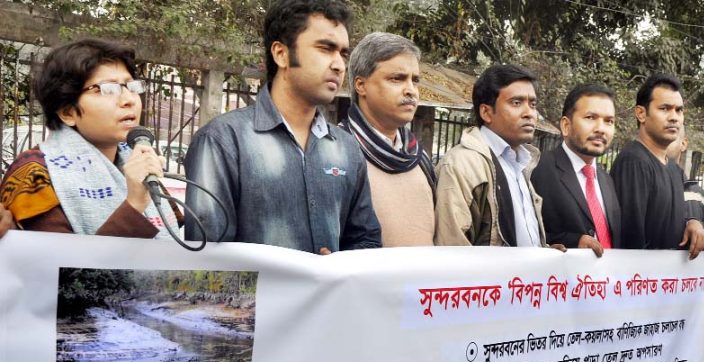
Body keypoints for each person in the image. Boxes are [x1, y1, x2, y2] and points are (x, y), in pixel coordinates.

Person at [184, 0, 381, 253]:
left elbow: (366, 240)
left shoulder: (347, 148)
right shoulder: (223, 141)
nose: (339, 65)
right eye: (325, 48)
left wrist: (336, 269)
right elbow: (207, 257)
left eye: (343, 53)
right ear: (281, 54)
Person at [1, 39, 174, 237]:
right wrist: (134, 205)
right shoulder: (34, 175)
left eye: (131, 86)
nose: (129, 100)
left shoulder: (139, 165)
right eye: (107, 89)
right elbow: (59, 266)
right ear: (68, 112)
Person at [434, 64, 555, 248]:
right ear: (486, 112)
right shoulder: (461, 165)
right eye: (516, 103)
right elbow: (452, 248)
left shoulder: (521, 163)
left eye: (533, 104)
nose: (529, 113)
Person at [341, 32, 436, 247]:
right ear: (361, 85)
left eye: (415, 80)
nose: (411, 90)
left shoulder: (419, 158)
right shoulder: (336, 154)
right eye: (397, 78)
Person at [609, 74, 704, 257]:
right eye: (664, 108)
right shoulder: (634, 162)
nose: (674, 117)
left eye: (679, 110)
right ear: (641, 113)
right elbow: (630, 243)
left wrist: (692, 223)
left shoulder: (674, 169)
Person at [530, 83, 621, 256]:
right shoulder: (538, 169)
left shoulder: (606, 180)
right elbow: (522, 237)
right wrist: (573, 242)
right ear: (566, 125)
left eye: (609, 121)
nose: (601, 128)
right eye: (590, 117)